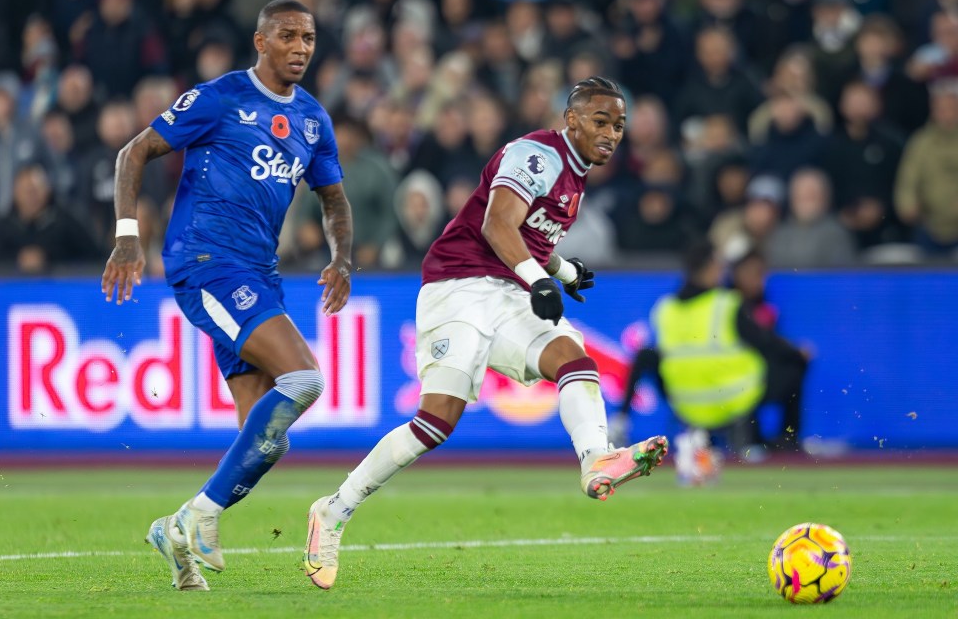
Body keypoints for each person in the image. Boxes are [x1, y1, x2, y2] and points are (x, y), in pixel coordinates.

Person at [303, 77, 669, 590]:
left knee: (572, 355)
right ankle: (334, 509)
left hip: (506, 292)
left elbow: (528, 235)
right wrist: (541, 280)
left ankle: (596, 460)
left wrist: (561, 271)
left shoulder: (576, 175)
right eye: (601, 121)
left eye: (620, 125)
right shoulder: (536, 155)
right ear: (572, 120)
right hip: (458, 288)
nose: (612, 133)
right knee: (435, 421)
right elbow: (498, 225)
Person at [100, 0, 353, 591]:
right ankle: (200, 517)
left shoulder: (313, 120)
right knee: (305, 379)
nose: (300, 47)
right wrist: (128, 238)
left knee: (264, 437)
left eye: (309, 37)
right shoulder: (219, 98)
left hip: (258, 273)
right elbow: (131, 152)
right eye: (288, 36)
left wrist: (343, 257)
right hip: (206, 262)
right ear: (261, 42)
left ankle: (177, 531)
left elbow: (333, 199)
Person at [608, 240, 808, 484]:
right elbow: (766, 341)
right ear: (711, 267)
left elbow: (649, 357)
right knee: (791, 364)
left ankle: (620, 421)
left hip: (685, 405)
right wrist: (798, 353)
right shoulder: (726, 303)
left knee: (647, 354)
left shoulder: (665, 308)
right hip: (734, 400)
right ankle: (787, 442)